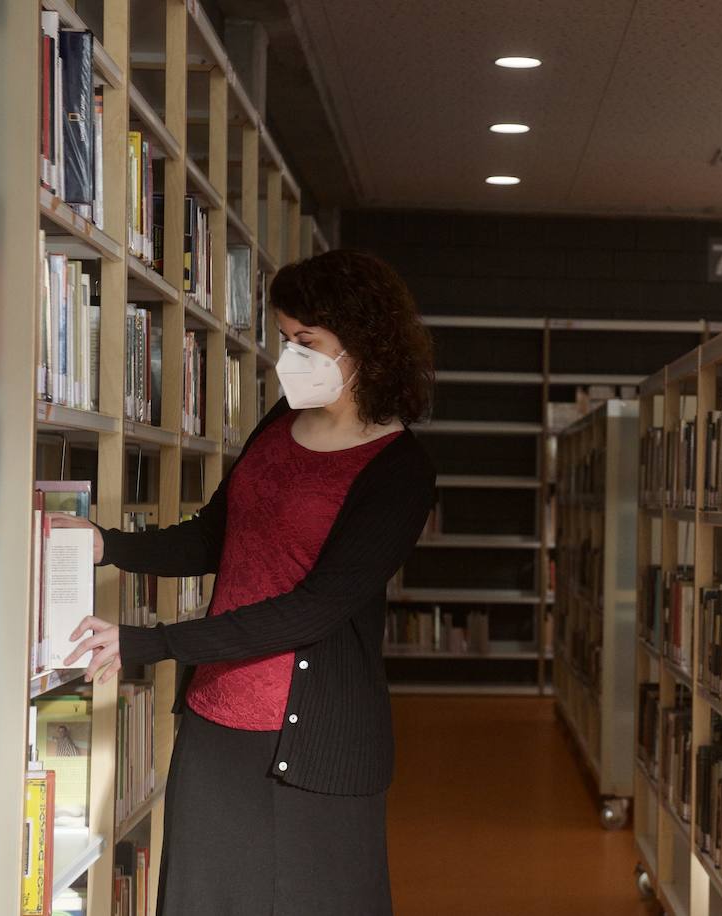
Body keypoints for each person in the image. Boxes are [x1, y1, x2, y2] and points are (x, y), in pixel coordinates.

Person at [54, 249, 436, 915]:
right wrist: (108, 546)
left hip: (315, 741)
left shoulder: (400, 470)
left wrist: (153, 642)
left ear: (366, 344)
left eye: (308, 343)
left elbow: (314, 610)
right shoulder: (277, 426)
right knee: (203, 898)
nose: (290, 358)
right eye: (285, 340)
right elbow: (213, 537)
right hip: (215, 718)